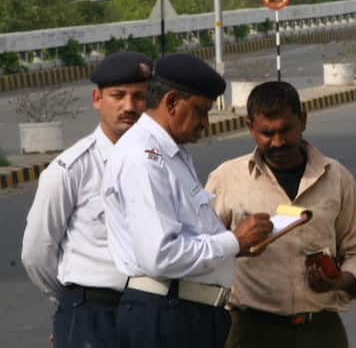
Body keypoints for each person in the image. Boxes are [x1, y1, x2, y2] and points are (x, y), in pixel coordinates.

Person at [101, 53, 274, 348]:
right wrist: (233, 242)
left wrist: (236, 246)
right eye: (201, 111)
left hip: (186, 312)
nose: (206, 122)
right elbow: (160, 255)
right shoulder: (144, 159)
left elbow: (189, 234)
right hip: (166, 314)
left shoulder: (172, 153)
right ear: (171, 102)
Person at [205, 81, 356, 348]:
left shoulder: (336, 178)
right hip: (249, 331)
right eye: (267, 133)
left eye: (286, 130)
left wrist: (339, 280)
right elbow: (200, 251)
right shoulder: (227, 179)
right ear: (250, 128)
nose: (278, 142)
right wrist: (237, 243)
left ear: (303, 121)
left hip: (321, 331)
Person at [21, 51, 152, 348]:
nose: (129, 106)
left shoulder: (161, 163)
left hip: (151, 312)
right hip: (93, 315)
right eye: (118, 95)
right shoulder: (70, 169)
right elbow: (36, 254)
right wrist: (72, 301)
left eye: (139, 97)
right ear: (97, 99)